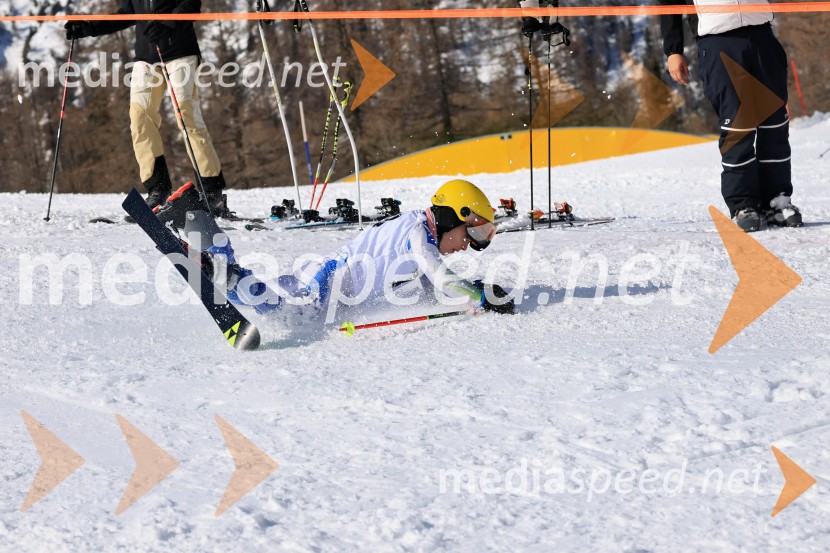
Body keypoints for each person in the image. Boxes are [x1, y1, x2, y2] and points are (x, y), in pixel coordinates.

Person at [168, 179, 515, 320]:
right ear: (455, 215)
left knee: (276, 300)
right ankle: (221, 272)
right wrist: (480, 297)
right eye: (473, 234)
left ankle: (195, 217)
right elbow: (440, 276)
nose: (470, 246)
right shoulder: (418, 233)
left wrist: (477, 292)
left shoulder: (419, 234)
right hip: (331, 280)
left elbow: (432, 287)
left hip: (329, 278)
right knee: (289, 316)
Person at [64, 1, 231, 215]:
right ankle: (158, 188)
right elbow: (127, 13)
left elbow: (191, 3)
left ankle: (211, 191)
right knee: (140, 118)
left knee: (186, 115)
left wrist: (165, 23)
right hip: (146, 57)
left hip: (179, 52)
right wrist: (90, 27)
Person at [658, 0, 802, 232]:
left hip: (761, 33)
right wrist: (673, 50)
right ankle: (743, 205)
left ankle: (777, 201)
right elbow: (668, 2)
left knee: (774, 122)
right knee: (738, 125)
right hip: (718, 38)